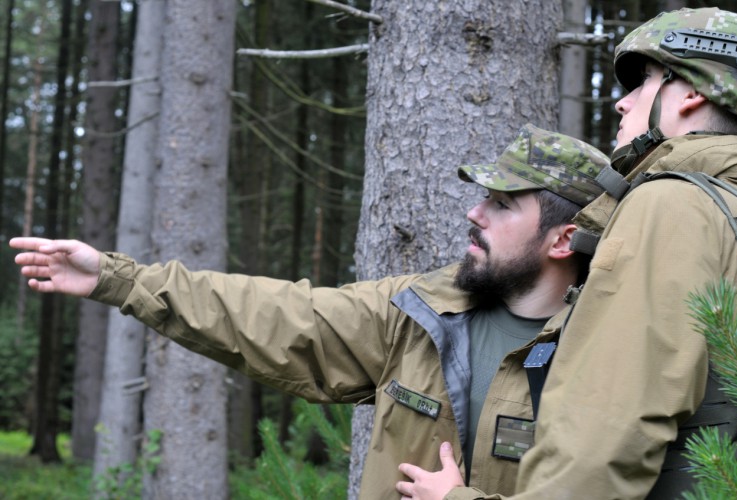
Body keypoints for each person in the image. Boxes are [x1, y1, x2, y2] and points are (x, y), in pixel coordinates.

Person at [10, 124, 609, 499]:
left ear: (563, 239)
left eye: (503, 205)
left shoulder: (608, 355)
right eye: (483, 197)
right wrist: (117, 279)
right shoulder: (420, 313)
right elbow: (275, 315)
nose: (475, 214)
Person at [499, 7, 737, 500]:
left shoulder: (673, 204)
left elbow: (599, 442)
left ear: (693, 92)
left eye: (645, 81)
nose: (623, 103)